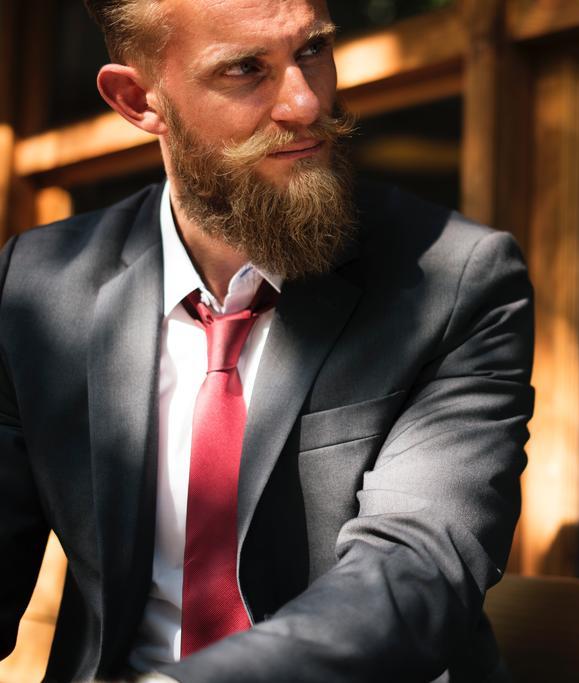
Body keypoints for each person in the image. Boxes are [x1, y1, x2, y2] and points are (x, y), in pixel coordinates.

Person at [0, 0, 533, 681]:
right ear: (140, 100)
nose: (306, 103)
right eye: (247, 69)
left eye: (312, 50)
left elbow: (413, 573)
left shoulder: (456, 278)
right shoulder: (38, 287)